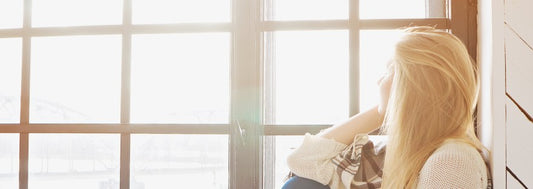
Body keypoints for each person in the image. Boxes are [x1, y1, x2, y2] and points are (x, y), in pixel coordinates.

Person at [282, 26, 488, 189]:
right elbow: (302, 161)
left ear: (412, 85)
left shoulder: (451, 161)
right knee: (301, 185)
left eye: (390, 70)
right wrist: (382, 112)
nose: (379, 80)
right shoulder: (410, 152)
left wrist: (393, 106)